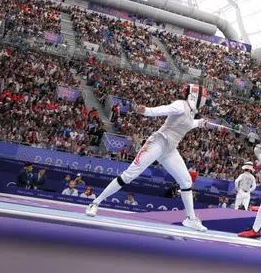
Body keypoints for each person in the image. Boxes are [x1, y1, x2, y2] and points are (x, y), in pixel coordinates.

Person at [85, 84, 212, 232]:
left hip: (170, 150)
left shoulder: (190, 112)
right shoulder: (180, 105)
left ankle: (190, 219)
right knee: (129, 175)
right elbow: (163, 109)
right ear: (195, 96)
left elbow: (188, 124)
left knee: (186, 181)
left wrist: (200, 123)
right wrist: (146, 111)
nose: (204, 100)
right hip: (157, 143)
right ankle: (95, 203)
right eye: (203, 97)